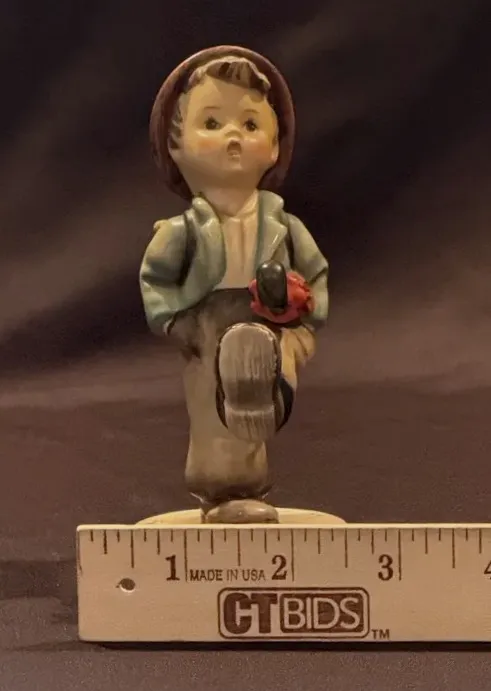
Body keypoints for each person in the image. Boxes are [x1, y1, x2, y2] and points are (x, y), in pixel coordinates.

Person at [139, 45, 329, 524]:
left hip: (269, 320)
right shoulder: (181, 231)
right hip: (206, 326)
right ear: (176, 145)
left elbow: (316, 273)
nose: (233, 137)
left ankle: (252, 476)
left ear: (274, 147)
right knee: (212, 414)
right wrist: (176, 324)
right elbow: (155, 280)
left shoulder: (283, 226)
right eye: (211, 123)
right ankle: (220, 493)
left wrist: (305, 324)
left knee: (253, 410)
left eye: (249, 124)